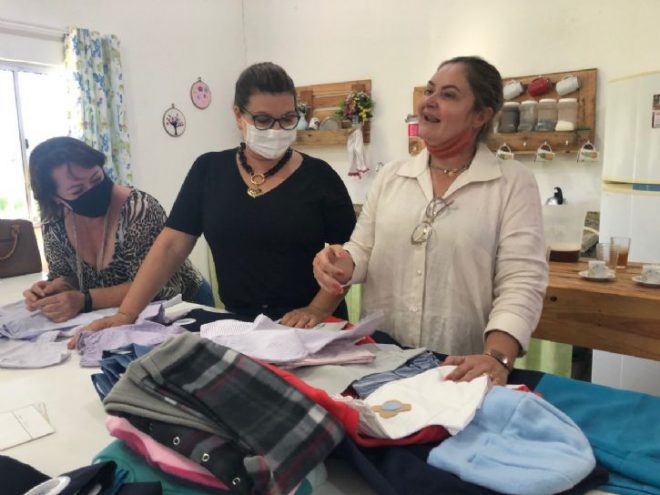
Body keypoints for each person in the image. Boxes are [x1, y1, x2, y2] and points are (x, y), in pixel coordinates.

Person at [313, 56, 548, 385]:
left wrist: (497, 357)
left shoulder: (511, 183)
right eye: (429, 90)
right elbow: (363, 249)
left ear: (480, 115)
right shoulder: (392, 176)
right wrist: (339, 261)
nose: (429, 101)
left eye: (449, 95)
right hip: (379, 361)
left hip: (459, 368)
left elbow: (521, 280)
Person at [84, 62, 356, 334]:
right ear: (238, 115)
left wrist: (317, 310)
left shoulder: (320, 177)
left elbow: (350, 255)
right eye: (263, 120)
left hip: (310, 325)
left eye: (287, 119)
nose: (276, 130)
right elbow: (170, 247)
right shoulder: (208, 170)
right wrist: (126, 313)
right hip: (239, 325)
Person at [23, 137, 210, 323]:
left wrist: (85, 300)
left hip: (182, 305)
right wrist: (51, 291)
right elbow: (65, 275)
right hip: (111, 313)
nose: (92, 190)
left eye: (97, 178)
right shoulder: (54, 222)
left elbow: (158, 287)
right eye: (77, 190)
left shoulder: (138, 209)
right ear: (55, 198)